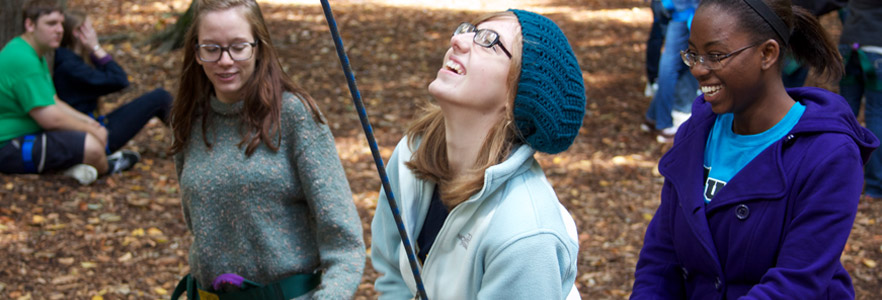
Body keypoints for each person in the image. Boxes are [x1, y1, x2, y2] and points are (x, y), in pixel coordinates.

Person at [631, 0, 879, 298]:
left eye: (716, 55)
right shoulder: (695, 134)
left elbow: (795, 283)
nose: (697, 69)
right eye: (693, 54)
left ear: (768, 53)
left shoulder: (829, 154)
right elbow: (661, 257)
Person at [371, 9, 583, 299]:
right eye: (469, 30)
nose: (457, 40)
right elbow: (393, 275)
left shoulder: (526, 235)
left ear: (518, 96)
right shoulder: (411, 153)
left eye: (488, 41)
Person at [168, 0, 365, 299]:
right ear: (196, 52)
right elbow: (197, 224)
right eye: (211, 48)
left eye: (238, 46)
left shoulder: (294, 116)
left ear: (259, 47)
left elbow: (345, 243)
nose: (225, 60)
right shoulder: (188, 120)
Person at [0, 0, 139, 185]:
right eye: (51, 23)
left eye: (60, 24)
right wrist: (90, 129)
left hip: (27, 137)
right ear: (30, 24)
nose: (59, 30)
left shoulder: (33, 54)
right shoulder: (23, 58)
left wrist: (88, 122)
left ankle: (82, 166)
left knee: (92, 139)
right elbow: (50, 118)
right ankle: (107, 166)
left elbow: (53, 101)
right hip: (9, 146)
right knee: (93, 148)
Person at [54, 10, 173, 154]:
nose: (94, 33)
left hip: (93, 127)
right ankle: (193, 141)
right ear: (78, 32)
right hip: (93, 136)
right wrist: (96, 48)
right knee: (159, 98)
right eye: (90, 28)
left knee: (159, 97)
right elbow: (120, 80)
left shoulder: (70, 60)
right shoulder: (70, 66)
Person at [839, 0, 882, 199]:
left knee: (844, 114)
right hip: (876, 48)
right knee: (876, 115)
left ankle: (839, 175)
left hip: (849, 46)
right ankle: (875, 186)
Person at [641, 0, 700, 143]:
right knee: (670, 67)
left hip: (680, 10)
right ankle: (663, 123)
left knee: (679, 65)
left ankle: (653, 117)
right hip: (684, 12)